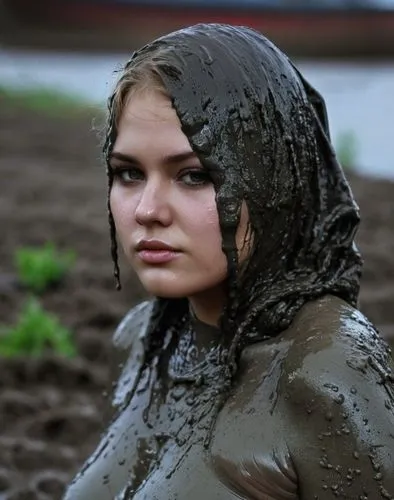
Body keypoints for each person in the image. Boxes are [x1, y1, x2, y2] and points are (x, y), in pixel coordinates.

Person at [64, 23, 394, 499]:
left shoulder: (327, 372)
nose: (147, 210)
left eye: (194, 175)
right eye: (129, 172)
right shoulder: (140, 341)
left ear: (272, 180)